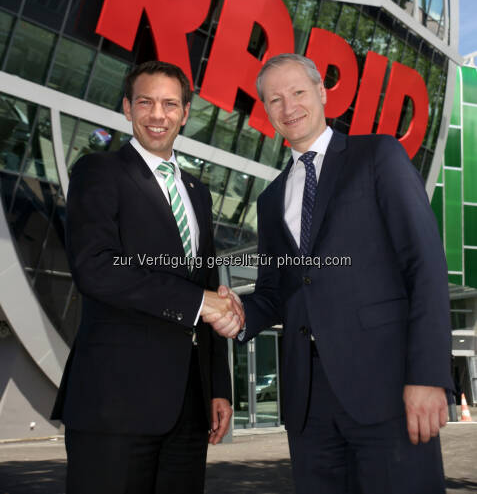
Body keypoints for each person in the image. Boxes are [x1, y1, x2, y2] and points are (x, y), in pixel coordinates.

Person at [212, 53, 453, 494]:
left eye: (298, 93)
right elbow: (273, 291)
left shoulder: (377, 155)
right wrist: (240, 314)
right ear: (267, 112)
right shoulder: (271, 200)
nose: (289, 108)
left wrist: (429, 374)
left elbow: (425, 264)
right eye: (275, 100)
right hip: (309, 405)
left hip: (388, 389)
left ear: (322, 93)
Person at [52, 60, 243, 494]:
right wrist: (199, 303)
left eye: (170, 104)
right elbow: (96, 266)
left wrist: (218, 388)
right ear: (126, 107)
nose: (158, 114)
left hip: (189, 409)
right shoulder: (98, 171)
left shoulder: (198, 192)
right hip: (114, 403)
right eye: (146, 102)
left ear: (186, 112)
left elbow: (208, 286)